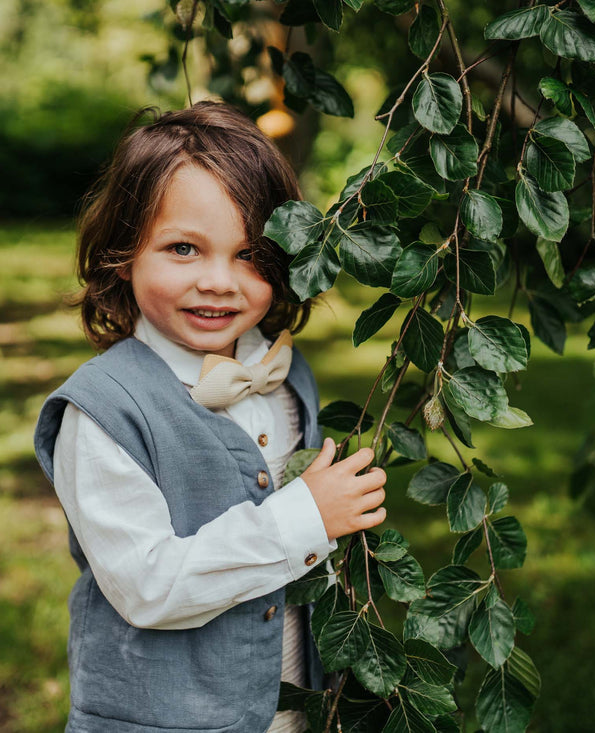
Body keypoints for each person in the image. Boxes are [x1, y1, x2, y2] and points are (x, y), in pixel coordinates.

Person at [33, 101, 387, 732]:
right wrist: (305, 515)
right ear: (124, 253)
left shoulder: (286, 375)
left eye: (250, 254)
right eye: (184, 248)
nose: (220, 281)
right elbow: (148, 585)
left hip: (287, 704)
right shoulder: (104, 413)